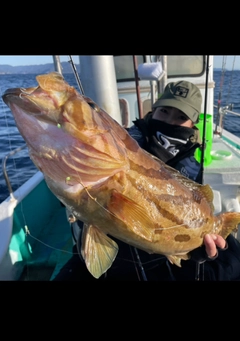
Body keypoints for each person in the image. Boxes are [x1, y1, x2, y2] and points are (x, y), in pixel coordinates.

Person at [53, 80, 240, 281]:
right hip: (112, 241)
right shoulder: (122, 143)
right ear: (153, 112)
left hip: (159, 249)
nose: (169, 121)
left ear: (192, 125)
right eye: (164, 112)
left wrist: (196, 252)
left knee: (231, 261)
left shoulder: (193, 158)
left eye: (181, 117)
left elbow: (194, 206)